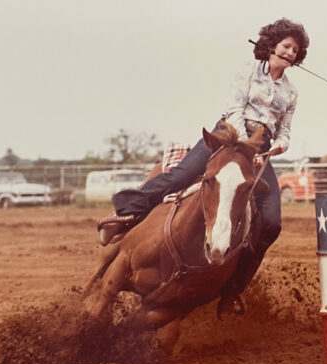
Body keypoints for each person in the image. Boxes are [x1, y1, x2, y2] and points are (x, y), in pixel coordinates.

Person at [97, 18, 309, 314]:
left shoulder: (291, 93)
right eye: (286, 46)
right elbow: (235, 110)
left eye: (295, 50)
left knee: (271, 222)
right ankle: (126, 214)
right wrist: (246, 145)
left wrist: (276, 147)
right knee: (180, 175)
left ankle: (233, 289)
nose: (290, 52)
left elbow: (284, 130)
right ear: (272, 45)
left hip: (261, 150)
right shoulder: (248, 71)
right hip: (229, 134)